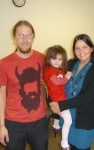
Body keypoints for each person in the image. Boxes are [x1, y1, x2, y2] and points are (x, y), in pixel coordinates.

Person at [50, 34, 94, 150]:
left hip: (84, 122)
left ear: (91, 49)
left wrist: (60, 105)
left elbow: (88, 96)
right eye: (77, 48)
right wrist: (52, 102)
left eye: (85, 47)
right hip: (66, 118)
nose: (81, 51)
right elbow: (54, 84)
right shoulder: (70, 64)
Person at [0, 20, 49, 150]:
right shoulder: (4, 63)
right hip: (13, 123)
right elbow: (2, 96)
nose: (24, 39)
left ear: (33, 37)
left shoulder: (42, 59)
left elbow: (53, 80)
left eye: (28, 35)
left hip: (39, 121)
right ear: (14, 37)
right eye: (20, 35)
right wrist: (1, 126)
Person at [43, 45, 72, 150]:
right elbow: (56, 81)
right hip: (57, 99)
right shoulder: (49, 70)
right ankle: (64, 144)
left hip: (61, 97)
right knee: (68, 121)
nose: (56, 61)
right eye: (53, 58)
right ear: (48, 59)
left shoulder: (60, 70)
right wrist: (67, 77)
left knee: (60, 116)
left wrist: (66, 74)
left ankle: (55, 125)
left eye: (59, 59)